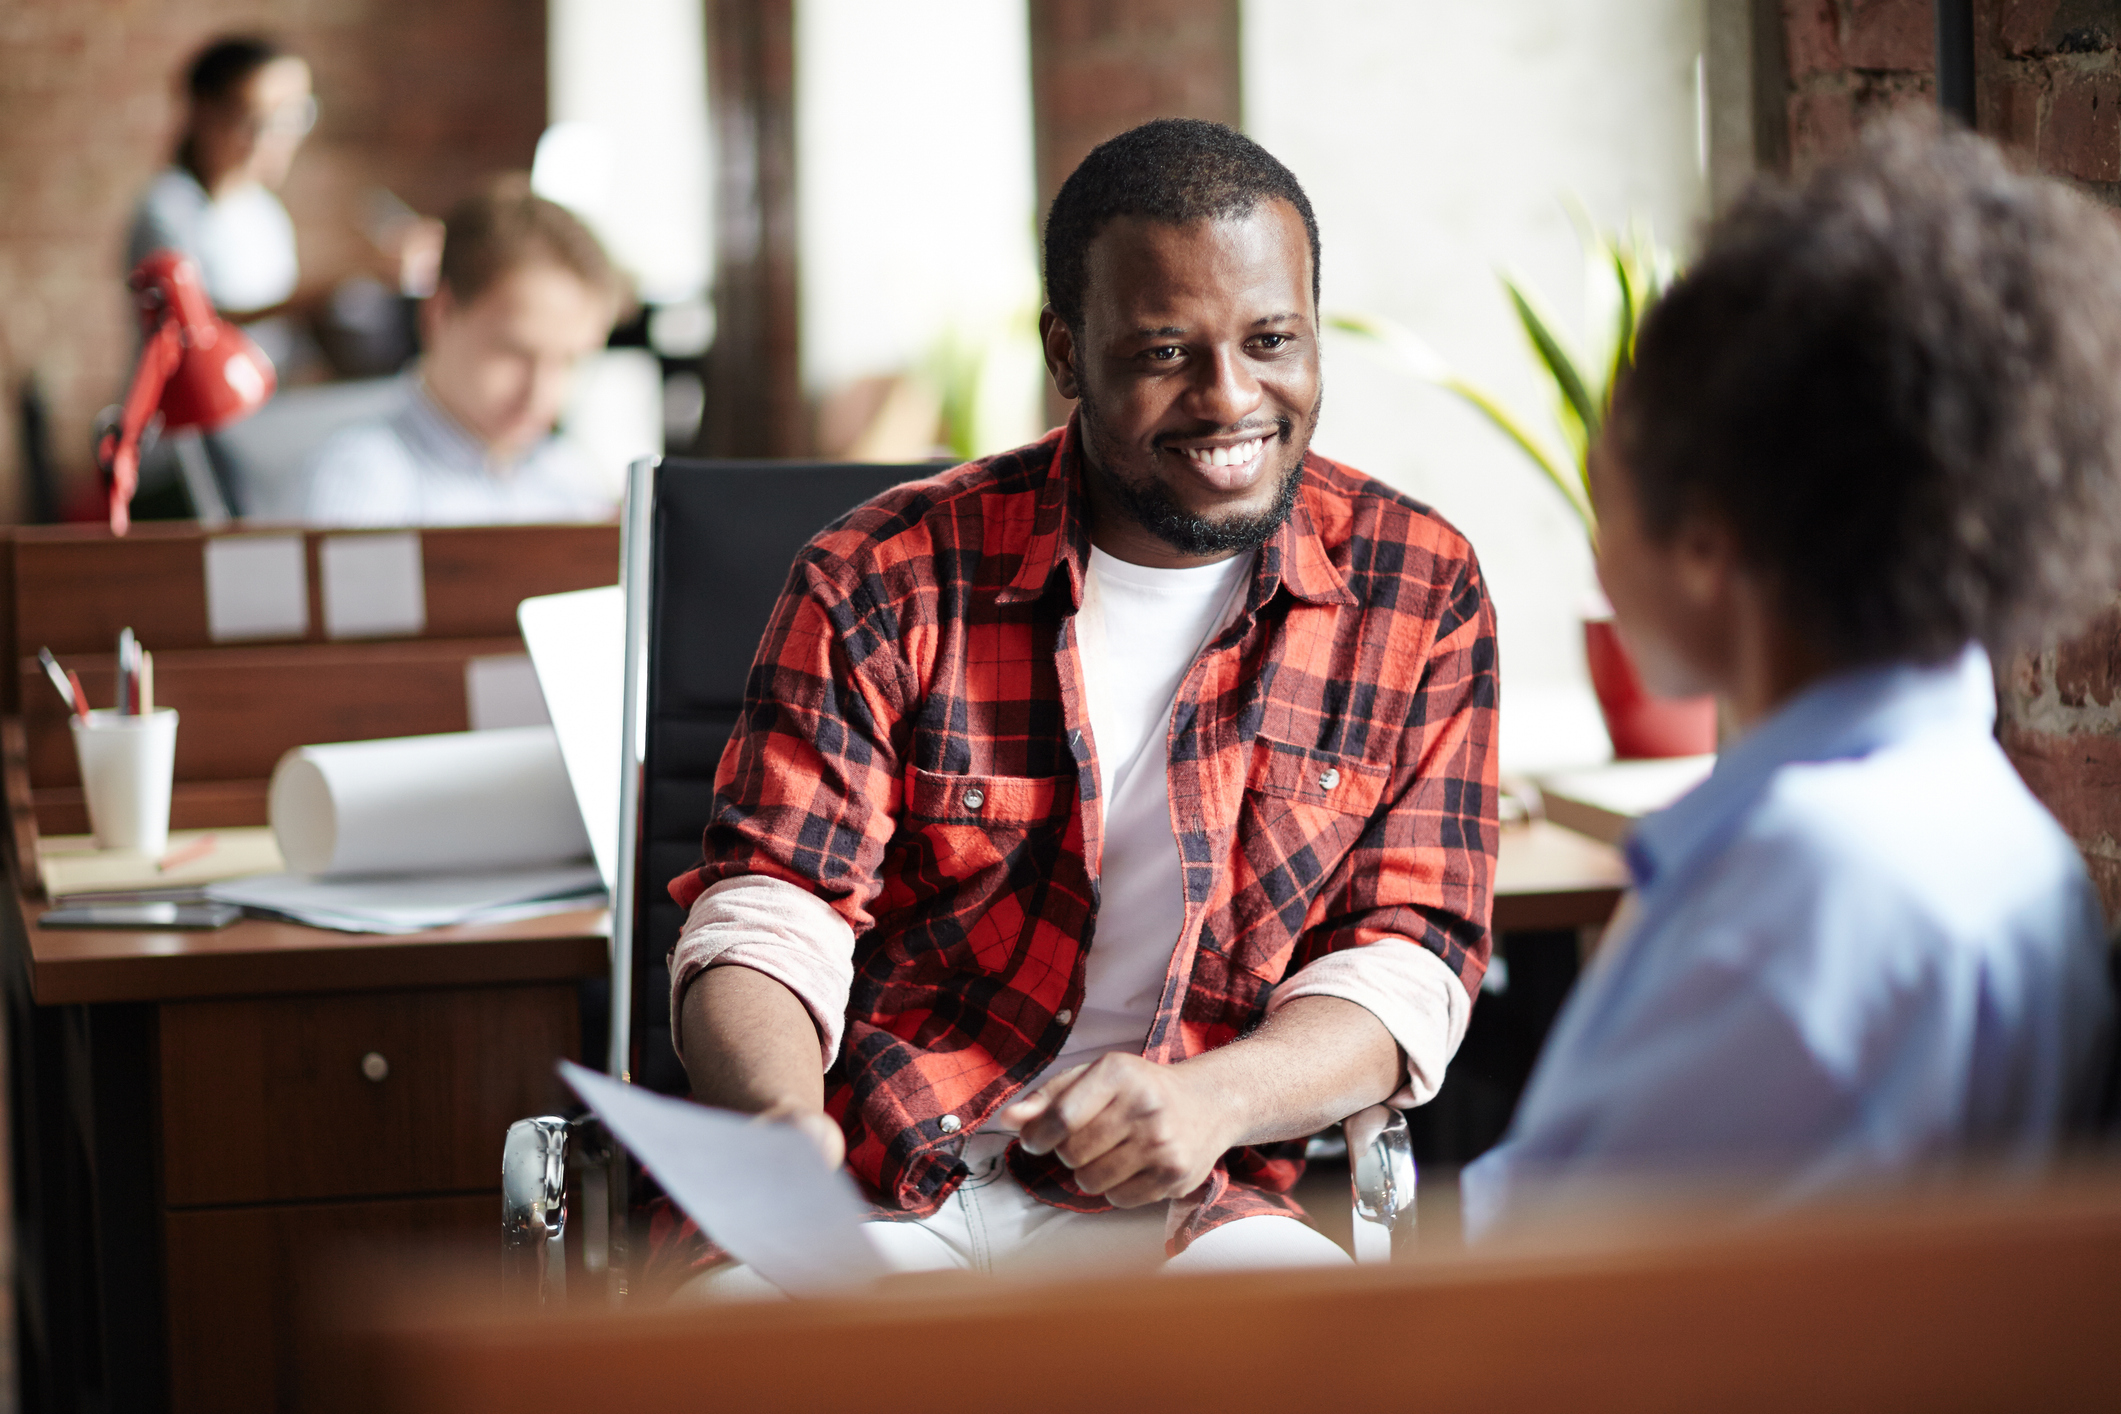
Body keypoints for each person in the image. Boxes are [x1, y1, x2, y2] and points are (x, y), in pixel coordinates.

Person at [665, 118, 1498, 1294]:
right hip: (871, 1172)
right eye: (1166, 352)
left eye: (1272, 340)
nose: (1231, 400)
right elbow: (772, 906)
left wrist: (1214, 1098)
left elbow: (1409, 958)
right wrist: (774, 1118)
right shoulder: (882, 573)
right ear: (1069, 351)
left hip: (1185, 1197)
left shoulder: (1416, 587)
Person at [1461, 122, 2120, 1239]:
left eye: (1604, 504)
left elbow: (1542, 1309)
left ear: (1708, 545)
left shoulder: (1800, 902)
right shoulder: (1973, 824)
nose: (1597, 560)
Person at [303, 180, 624, 527]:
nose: (541, 393)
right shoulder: (364, 482)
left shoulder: (571, 480)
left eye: (570, 361)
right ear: (439, 314)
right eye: (514, 352)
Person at [127, 36, 315, 371]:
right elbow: (197, 326)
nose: (278, 137)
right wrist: (319, 295)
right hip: (188, 414)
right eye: (258, 118)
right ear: (206, 113)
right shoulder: (167, 209)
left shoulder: (265, 211)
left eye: (295, 117)